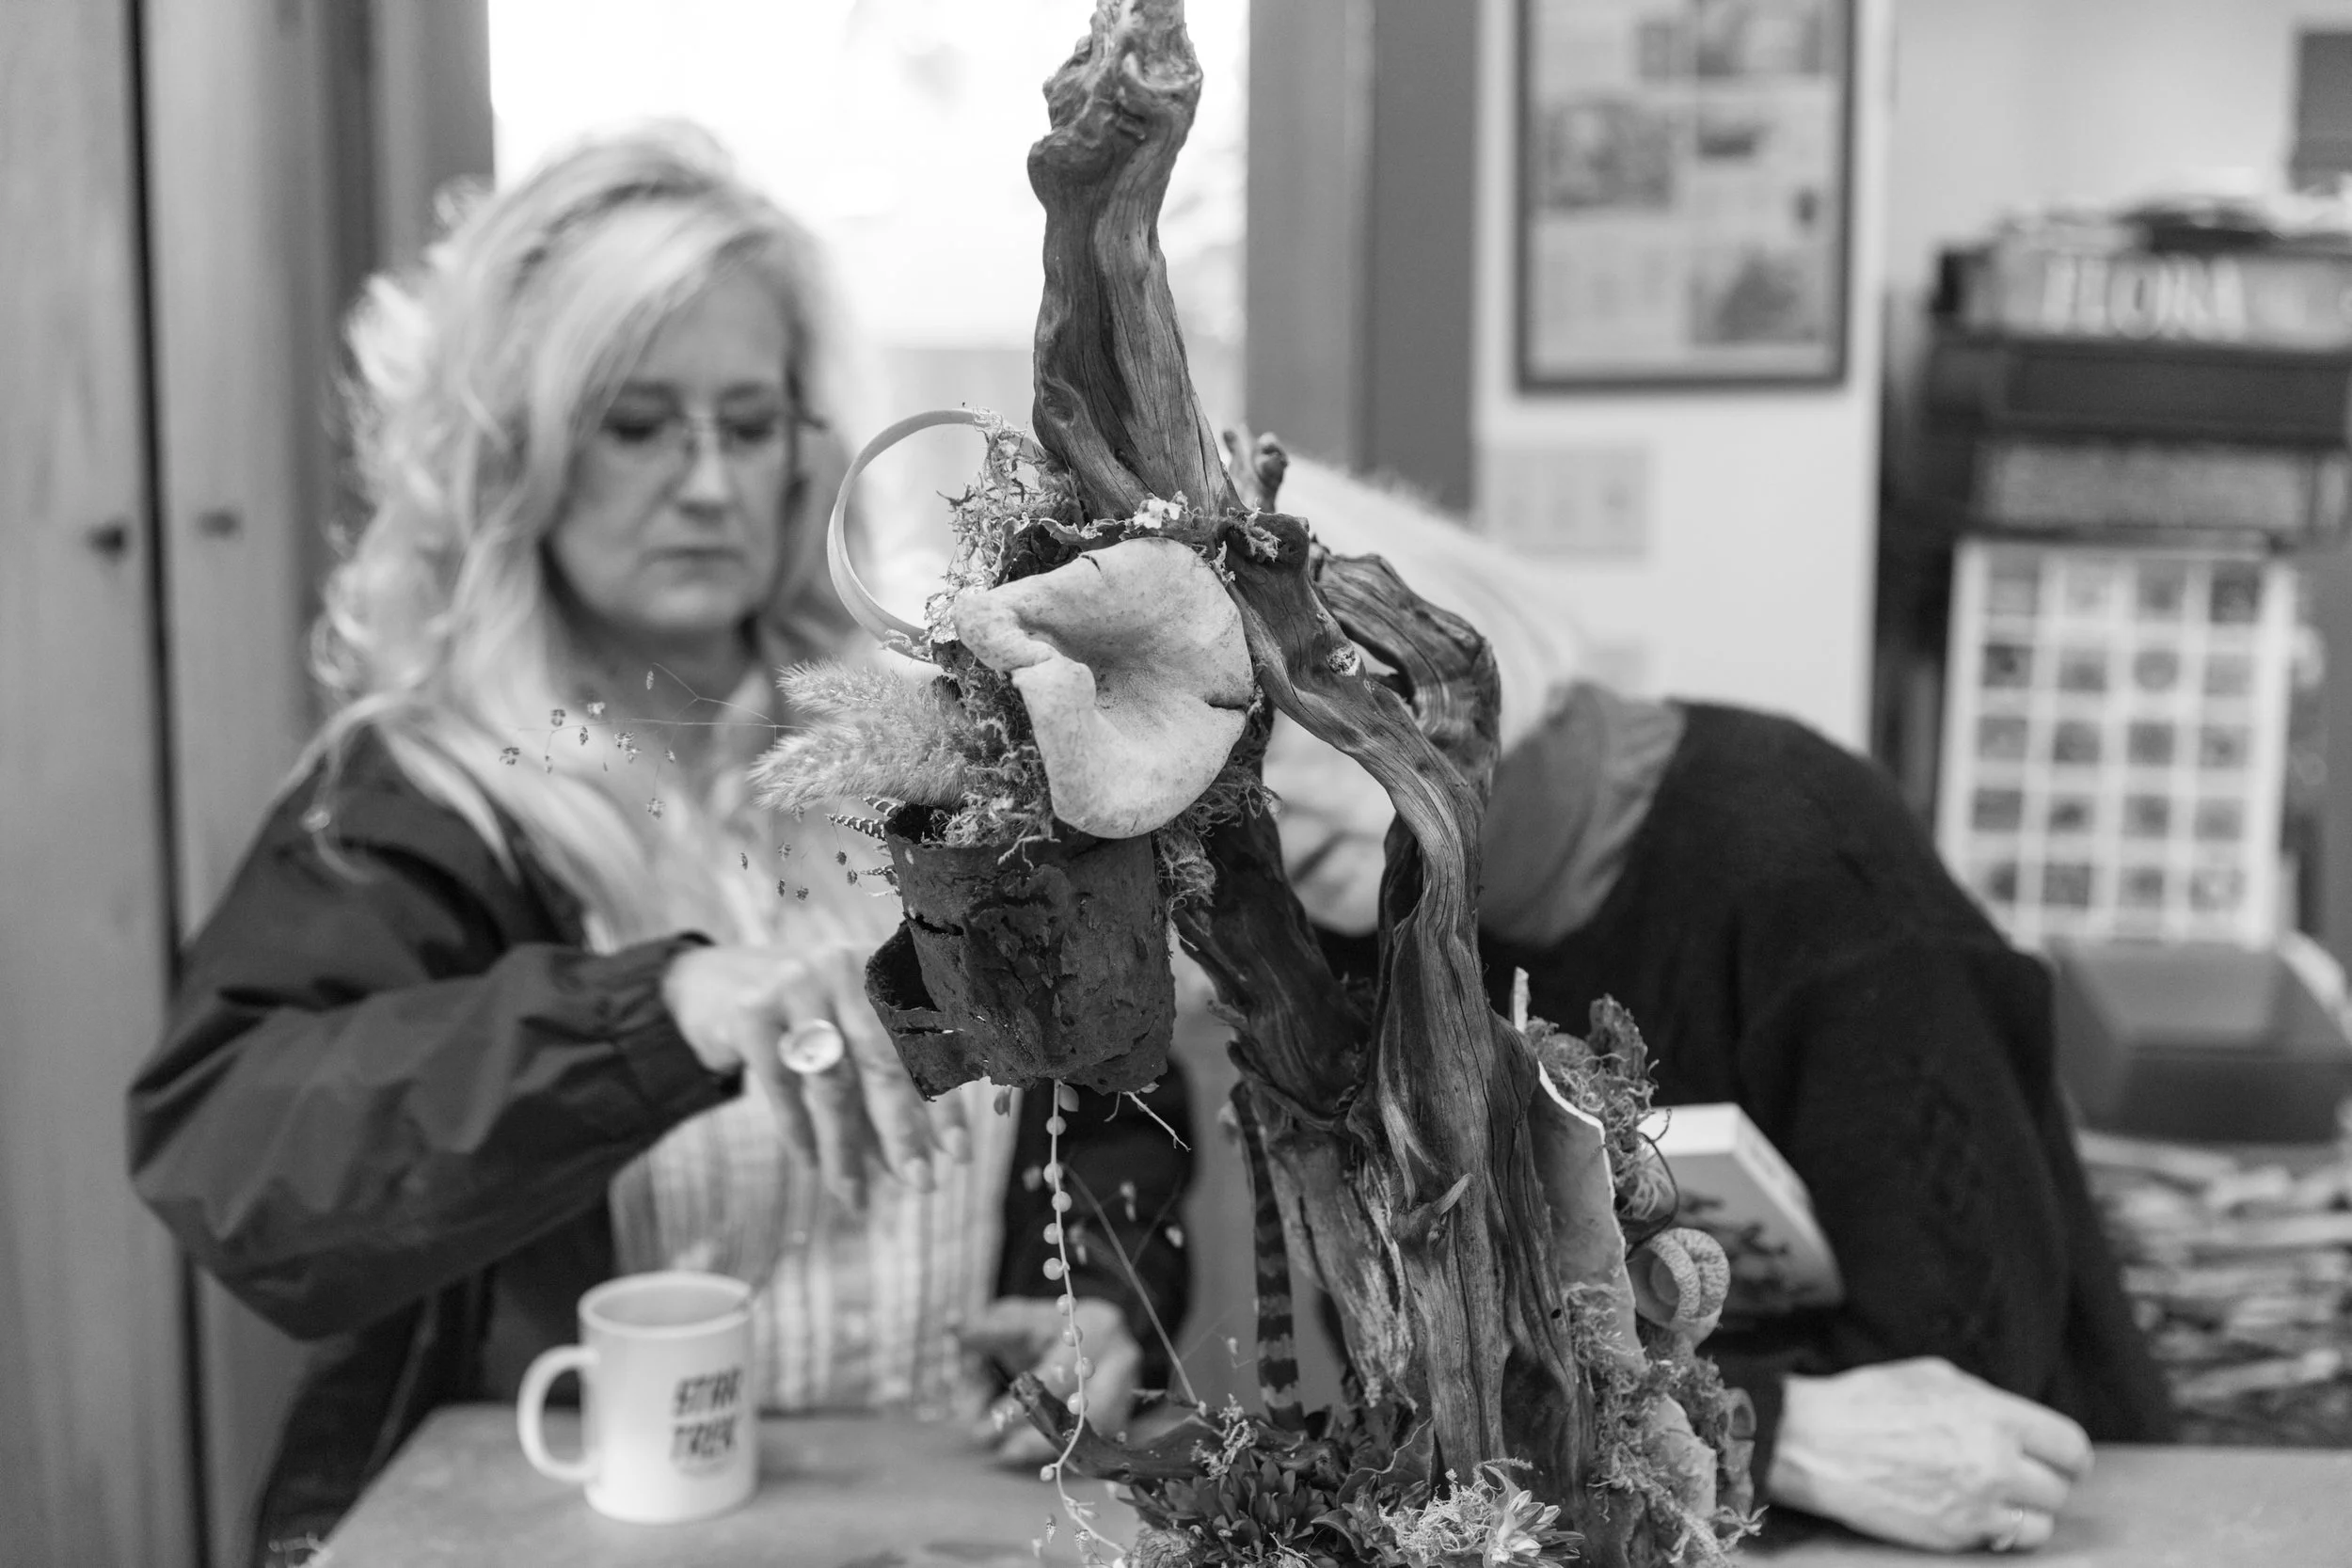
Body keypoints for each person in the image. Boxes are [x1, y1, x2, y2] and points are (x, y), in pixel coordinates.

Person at [125, 125, 1191, 1568]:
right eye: (638, 423)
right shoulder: (418, 799)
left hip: (938, 1526)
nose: (705, 482)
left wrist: (1099, 1305)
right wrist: (656, 1011)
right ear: (522, 454)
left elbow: (1114, 1104)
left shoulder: (933, 757)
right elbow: (244, 1157)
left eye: (746, 424)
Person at [1265, 456, 2175, 1557]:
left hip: (2006, 1517)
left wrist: (1719, 1422)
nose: (1264, 810)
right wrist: (1761, 1425)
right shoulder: (1339, 916)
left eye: (1284, 728)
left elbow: (1964, 1372)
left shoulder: (1805, 859)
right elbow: (1402, 1343)